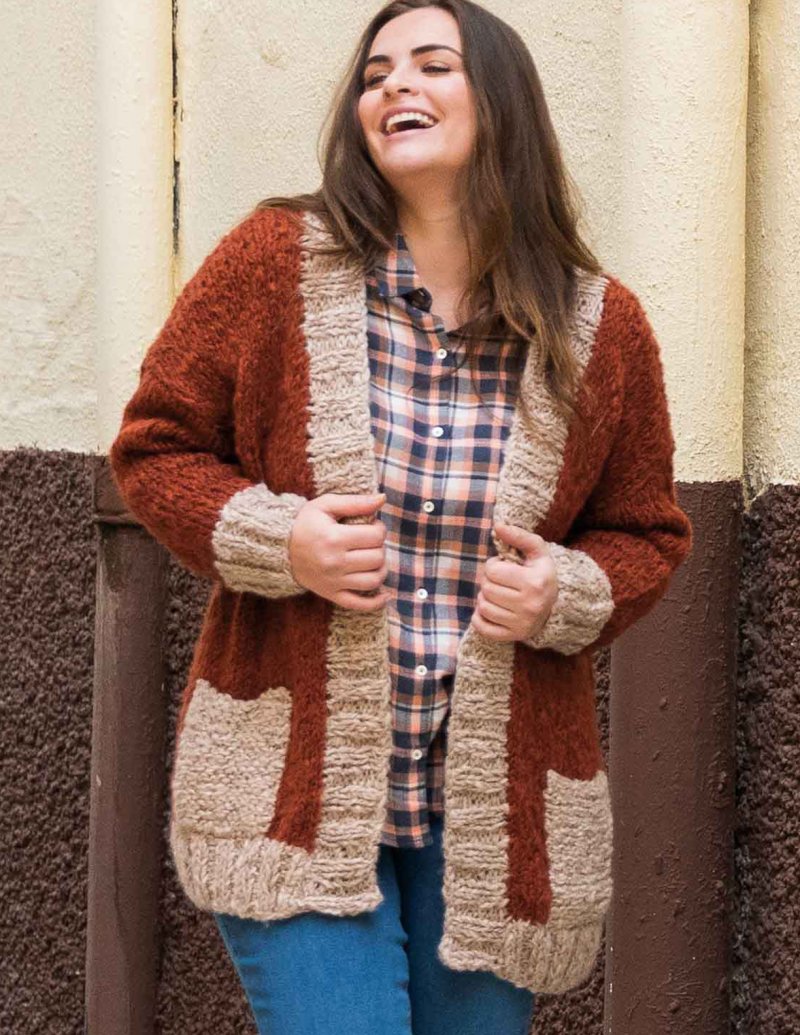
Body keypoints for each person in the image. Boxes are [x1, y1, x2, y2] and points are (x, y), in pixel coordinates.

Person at [109, 1, 693, 1032]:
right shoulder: (273, 261)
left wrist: (561, 593)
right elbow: (155, 448)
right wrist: (283, 542)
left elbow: (644, 531)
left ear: (500, 101)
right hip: (292, 793)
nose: (393, 88)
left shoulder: (599, 326)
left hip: (491, 819)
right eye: (375, 75)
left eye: (431, 65)